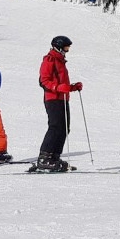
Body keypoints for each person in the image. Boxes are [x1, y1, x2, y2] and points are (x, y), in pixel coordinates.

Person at [32, 35, 82, 172]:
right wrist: (58, 87)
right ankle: (44, 158)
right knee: (55, 127)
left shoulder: (60, 61)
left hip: (62, 98)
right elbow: (43, 81)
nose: (67, 50)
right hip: (52, 98)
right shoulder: (49, 60)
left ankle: (54, 157)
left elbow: (62, 84)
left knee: (64, 128)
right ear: (59, 47)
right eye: (66, 48)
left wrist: (73, 87)